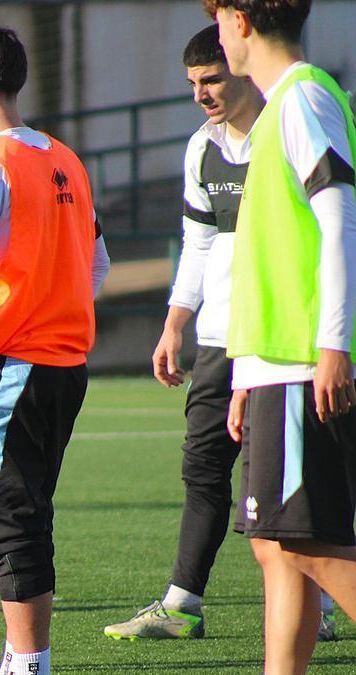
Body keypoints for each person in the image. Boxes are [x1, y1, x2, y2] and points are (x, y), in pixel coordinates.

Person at [0, 24, 110, 675]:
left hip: (10, 364)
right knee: (25, 510)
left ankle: (31, 662)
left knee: (9, 516)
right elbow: (100, 263)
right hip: (65, 365)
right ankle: (20, 654)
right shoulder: (66, 158)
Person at [104, 23, 287, 640]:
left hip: (280, 340)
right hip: (217, 340)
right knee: (204, 469)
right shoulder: (201, 147)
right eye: (192, 83)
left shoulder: (288, 129)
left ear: (240, 64)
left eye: (210, 79)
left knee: (283, 479)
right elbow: (199, 244)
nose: (200, 93)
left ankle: (317, 605)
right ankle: (182, 604)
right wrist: (173, 324)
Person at [206, 0, 356, 672]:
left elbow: (340, 220)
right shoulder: (277, 112)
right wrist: (246, 375)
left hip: (302, 362)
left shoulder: (302, 101)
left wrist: (333, 343)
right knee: (276, 546)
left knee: (301, 542)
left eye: (218, 19)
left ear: (239, 20)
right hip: (275, 366)